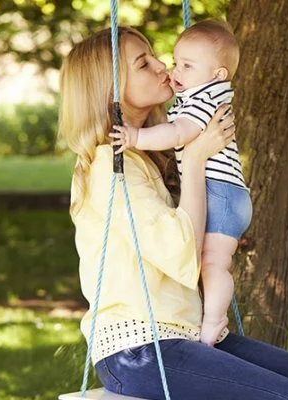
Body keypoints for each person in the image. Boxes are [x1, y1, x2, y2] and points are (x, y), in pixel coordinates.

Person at [59, 26, 288, 400]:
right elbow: (180, 253)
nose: (162, 67)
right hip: (138, 348)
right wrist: (194, 159)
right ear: (110, 89)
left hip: (185, 333)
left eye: (155, 56)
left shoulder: (152, 153)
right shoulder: (112, 166)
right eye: (144, 63)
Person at [109, 20, 250, 346]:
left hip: (221, 194)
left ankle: (214, 321)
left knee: (214, 263)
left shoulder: (204, 99)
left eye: (187, 66)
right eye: (176, 62)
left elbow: (177, 133)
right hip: (224, 193)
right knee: (210, 261)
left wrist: (136, 137)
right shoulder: (203, 93)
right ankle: (212, 317)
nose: (174, 71)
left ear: (218, 74)